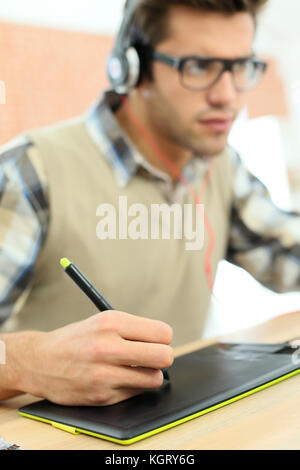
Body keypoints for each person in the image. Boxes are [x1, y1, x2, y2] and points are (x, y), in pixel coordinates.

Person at [0, 0, 299, 407]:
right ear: (132, 68)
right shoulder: (31, 170)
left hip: (180, 428)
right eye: (198, 66)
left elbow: (287, 259)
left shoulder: (220, 164)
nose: (228, 96)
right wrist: (24, 363)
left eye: (240, 66)